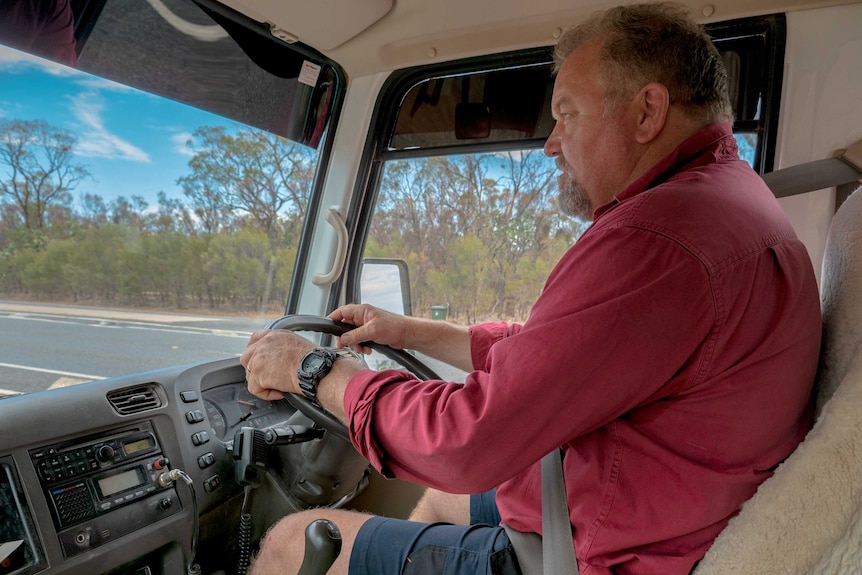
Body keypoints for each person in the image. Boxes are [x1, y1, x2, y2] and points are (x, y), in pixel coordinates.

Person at [240, 2, 822, 573]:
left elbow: (464, 443)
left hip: (601, 553)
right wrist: (406, 331)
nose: (550, 142)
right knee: (446, 501)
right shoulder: (726, 202)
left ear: (648, 112)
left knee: (292, 542)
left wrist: (313, 372)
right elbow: (564, 353)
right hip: (627, 502)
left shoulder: (659, 238)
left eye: (567, 113)